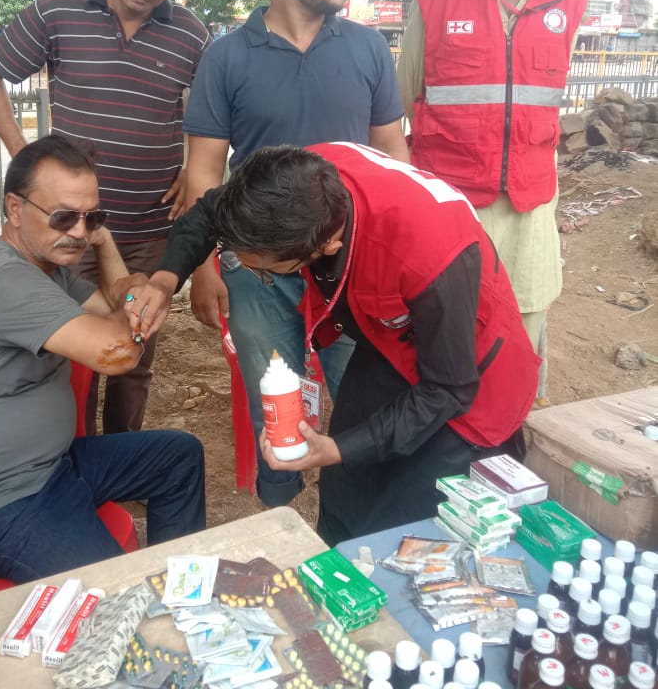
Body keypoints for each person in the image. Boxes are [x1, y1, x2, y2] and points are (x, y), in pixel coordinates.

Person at [128, 142, 539, 544]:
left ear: (326, 247)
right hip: (386, 342)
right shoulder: (289, 186)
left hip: (469, 379)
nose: (259, 276)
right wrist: (165, 281)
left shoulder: (430, 253)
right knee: (346, 497)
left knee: (412, 527)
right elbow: (209, 212)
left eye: (266, 272)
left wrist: (336, 448)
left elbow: (448, 388)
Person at [181, 0, 410, 505]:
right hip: (257, 268)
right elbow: (204, 172)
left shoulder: (367, 49)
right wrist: (204, 267)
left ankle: (364, 516)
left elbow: (394, 157)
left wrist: (400, 257)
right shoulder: (226, 57)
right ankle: (278, 514)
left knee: (366, 395)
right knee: (275, 402)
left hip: (348, 265)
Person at [0, 136, 206, 583]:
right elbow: (119, 354)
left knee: (177, 457)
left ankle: (181, 593)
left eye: (93, 217)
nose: (79, 232)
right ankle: (145, 606)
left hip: (52, 467)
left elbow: (112, 305)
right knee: (115, 590)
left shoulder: (47, 271)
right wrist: (140, 302)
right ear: (15, 209)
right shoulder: (7, 282)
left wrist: (107, 249)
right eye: (64, 217)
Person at [0, 0, 210, 435]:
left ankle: (120, 457)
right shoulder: (59, 11)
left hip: (147, 227)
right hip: (67, 230)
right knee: (67, 356)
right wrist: (23, 155)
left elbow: (212, 111)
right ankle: (73, 456)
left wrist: (194, 167)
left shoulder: (191, 34)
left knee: (134, 354)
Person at [397, 0, 588, 402]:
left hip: (529, 208)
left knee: (520, 331)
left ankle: (509, 425)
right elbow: (402, 99)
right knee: (445, 329)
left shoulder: (569, 2)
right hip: (452, 205)